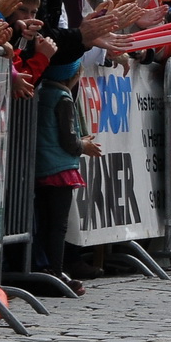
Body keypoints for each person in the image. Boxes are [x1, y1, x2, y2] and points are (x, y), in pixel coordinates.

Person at [33, 59, 101, 294]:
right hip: (58, 169)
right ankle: (55, 269)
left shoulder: (41, 93)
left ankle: (44, 267)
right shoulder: (63, 98)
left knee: (42, 222)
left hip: (41, 166)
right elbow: (68, 140)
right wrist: (84, 145)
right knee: (58, 225)